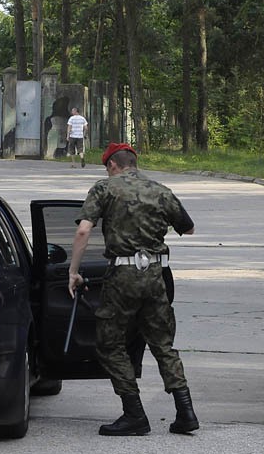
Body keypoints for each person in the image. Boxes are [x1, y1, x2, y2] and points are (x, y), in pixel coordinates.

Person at [68, 142, 198, 436]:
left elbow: (83, 230)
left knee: (110, 344)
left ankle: (134, 414)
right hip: (155, 275)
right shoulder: (160, 190)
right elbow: (188, 228)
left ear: (112, 165)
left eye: (106, 167)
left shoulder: (104, 189)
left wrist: (74, 272)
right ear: (133, 163)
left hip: (122, 277)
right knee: (162, 344)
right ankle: (186, 412)